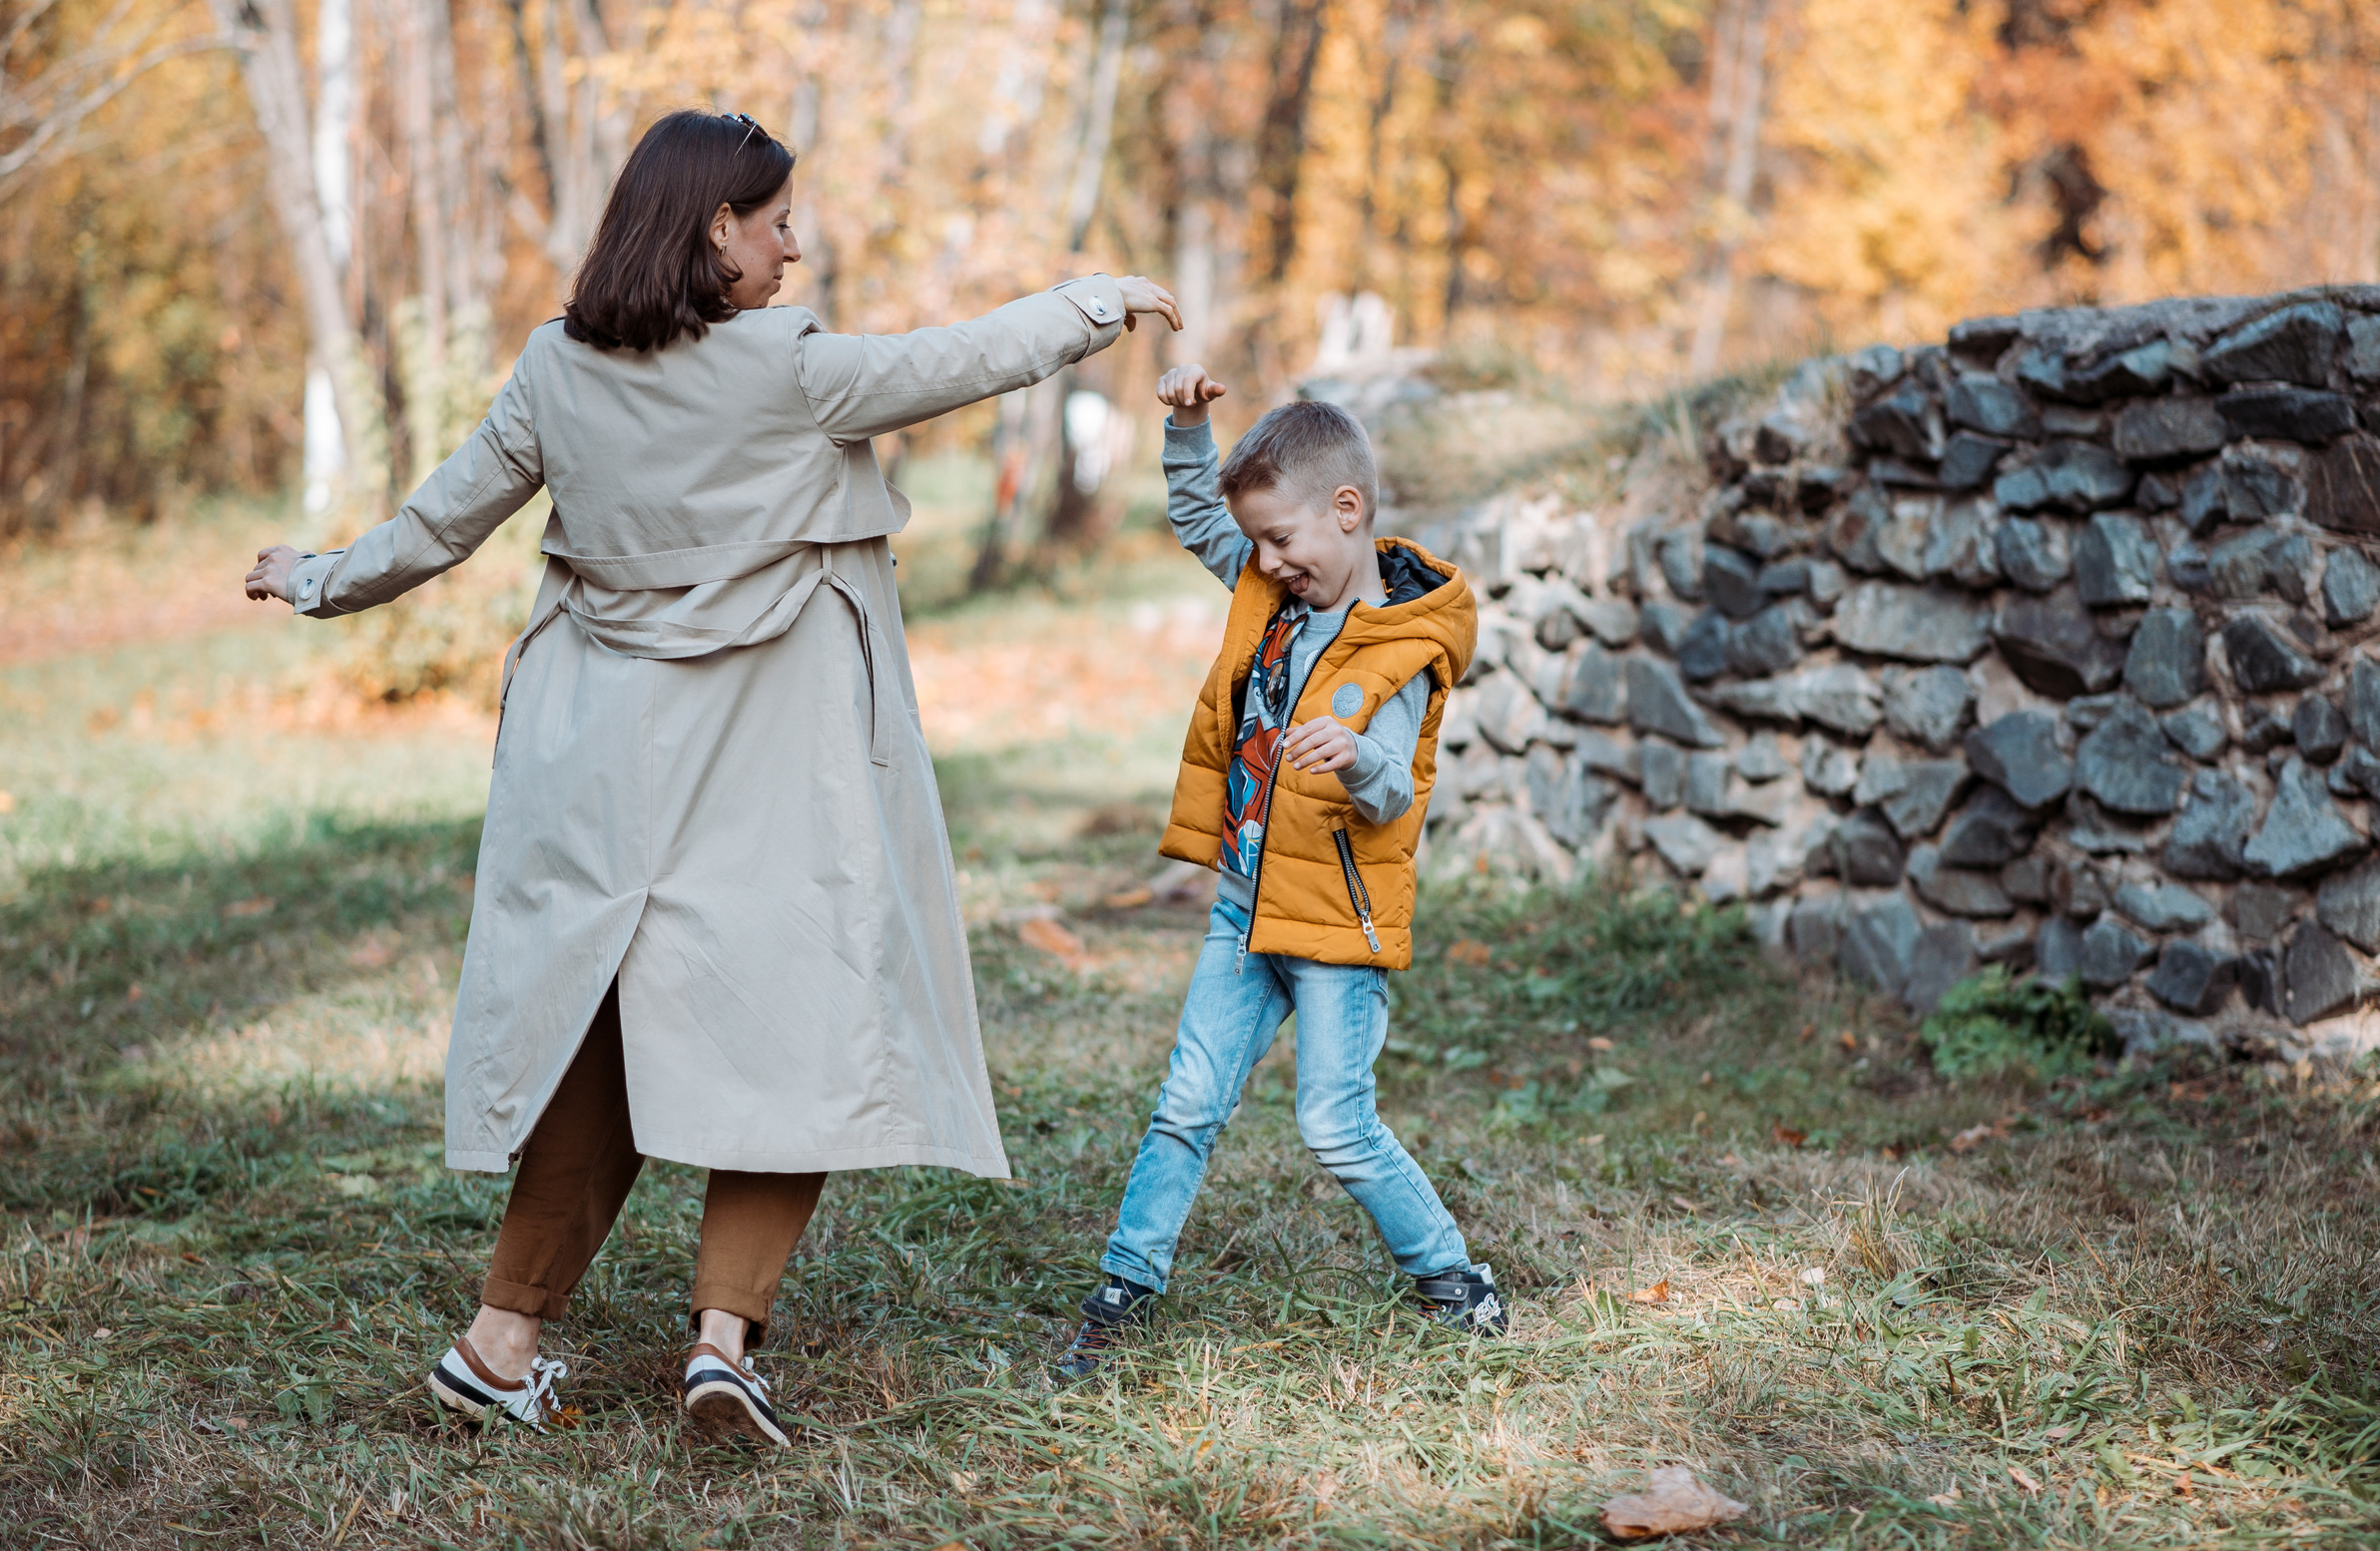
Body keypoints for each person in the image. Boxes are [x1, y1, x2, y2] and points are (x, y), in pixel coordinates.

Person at [243, 110, 1180, 1442]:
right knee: (791, 1026)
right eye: (778, 219)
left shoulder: (554, 372)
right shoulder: (788, 369)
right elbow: (965, 360)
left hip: (604, 761)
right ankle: (720, 1343)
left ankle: (502, 1340)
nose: (797, 245)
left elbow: (440, 522)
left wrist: (316, 577)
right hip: (765, 758)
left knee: (606, 1042)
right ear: (713, 231)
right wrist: (1101, 301)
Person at [1053, 363, 1503, 1381]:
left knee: (1336, 1126)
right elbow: (1197, 517)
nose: (1262, 560)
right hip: (1242, 904)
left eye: (1281, 540)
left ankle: (1452, 1275)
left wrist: (1357, 760)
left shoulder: (1401, 647)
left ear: (1345, 512)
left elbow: (1396, 794)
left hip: (1336, 926)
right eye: (1256, 542)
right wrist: (1186, 426)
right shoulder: (1272, 582)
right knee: (1186, 1101)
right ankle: (1126, 1279)